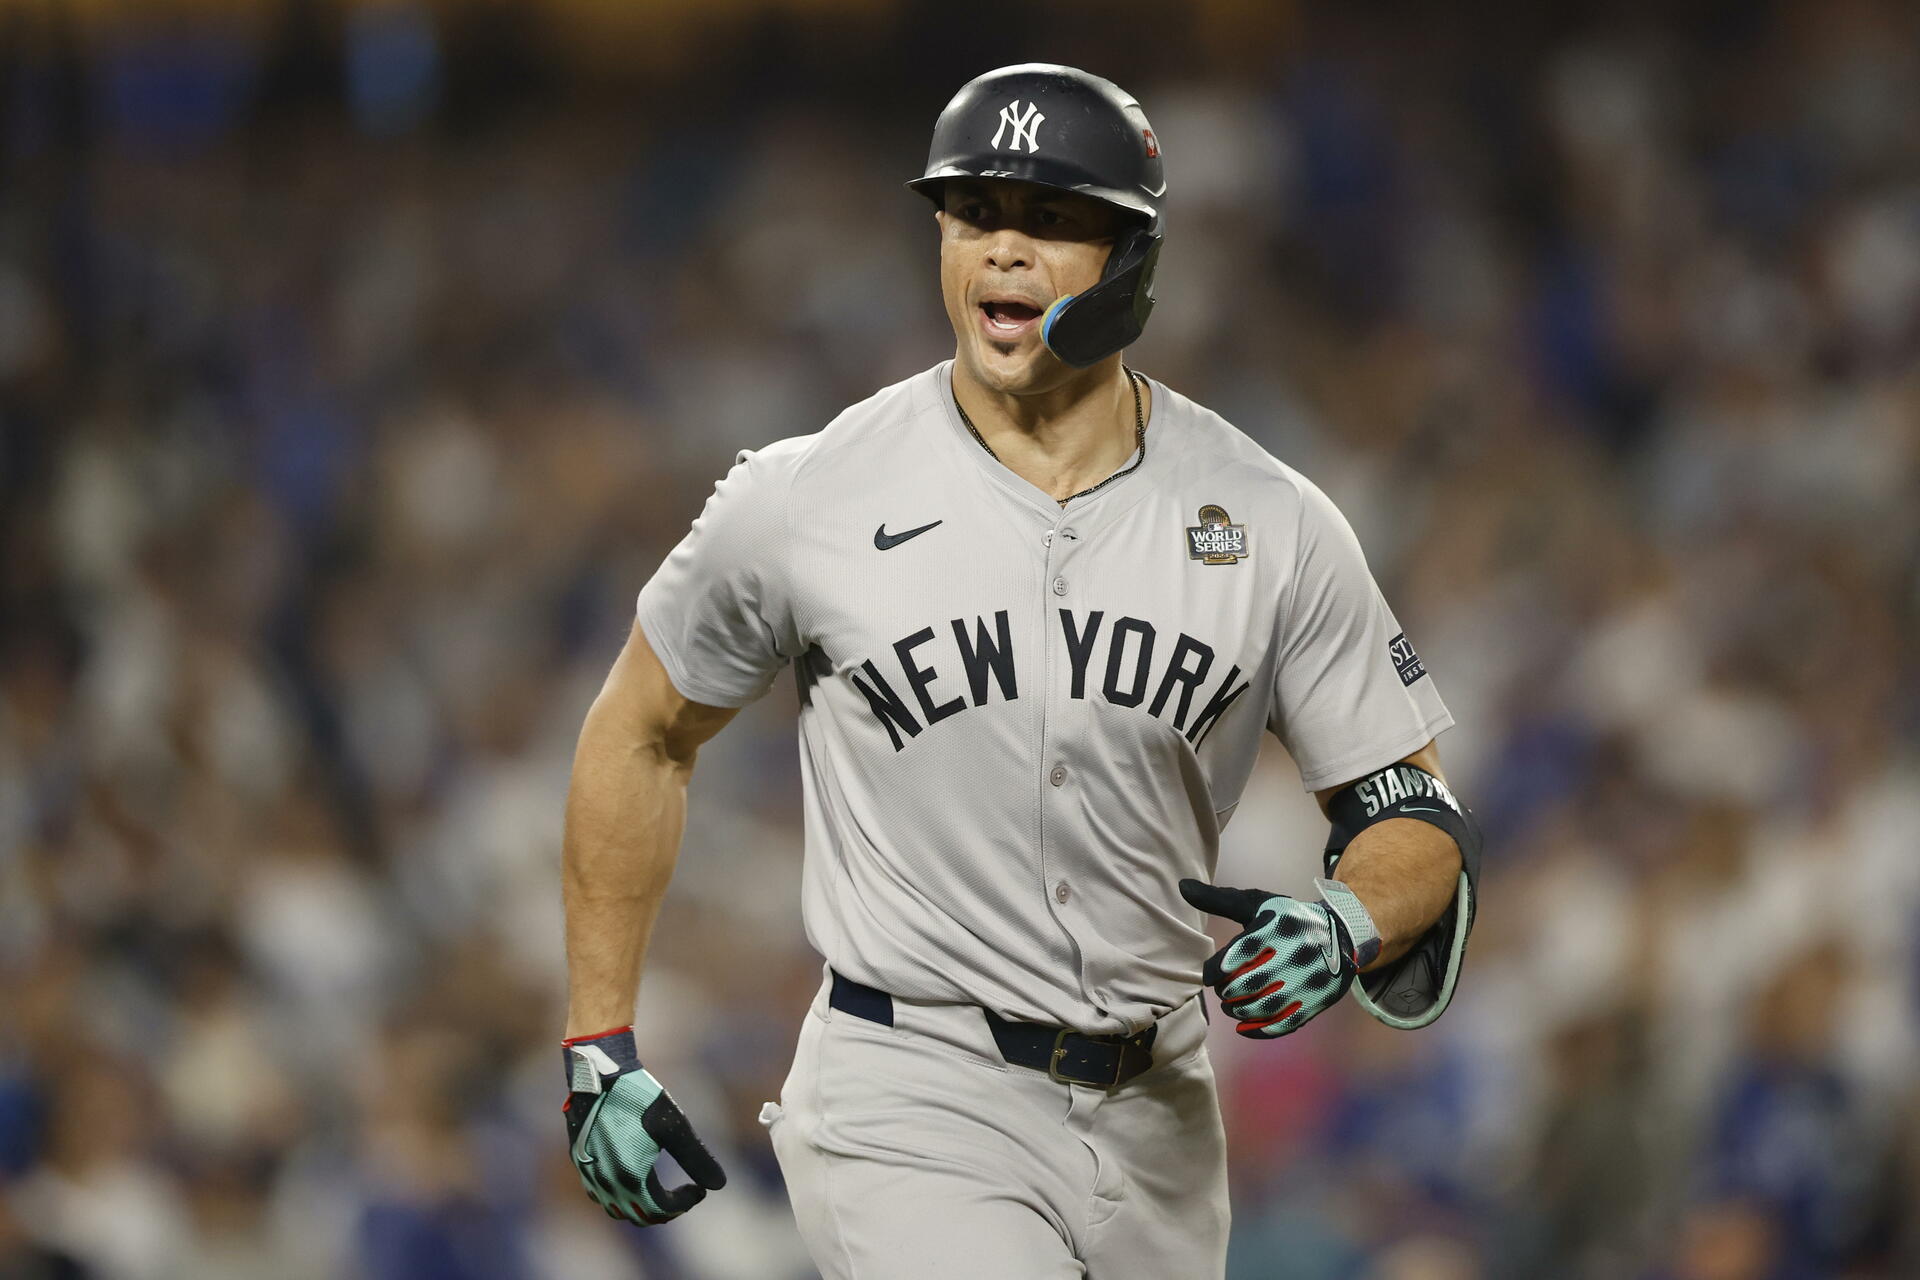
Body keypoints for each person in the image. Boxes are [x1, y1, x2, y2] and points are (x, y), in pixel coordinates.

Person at [556, 63, 1483, 1279]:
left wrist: (1350, 915)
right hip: (911, 1085)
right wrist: (598, 1041)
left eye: (1051, 220)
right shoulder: (810, 493)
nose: (1001, 250)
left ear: (1133, 261)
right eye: (973, 212)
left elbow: (1412, 816)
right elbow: (641, 728)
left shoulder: (1268, 518)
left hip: (1160, 1113)